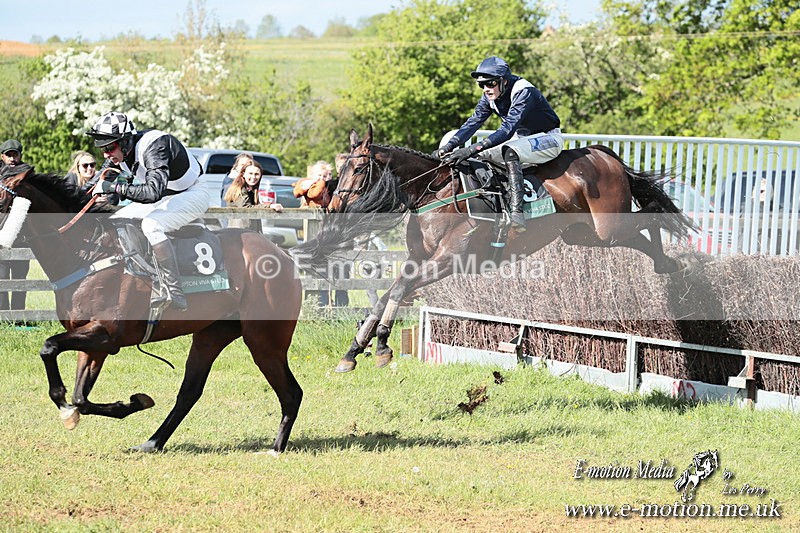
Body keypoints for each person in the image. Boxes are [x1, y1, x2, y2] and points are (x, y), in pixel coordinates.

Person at [86, 111, 209, 311]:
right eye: (102, 149)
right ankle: (140, 276)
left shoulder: (155, 147)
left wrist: (114, 188)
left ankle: (174, 291)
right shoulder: (119, 154)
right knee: (115, 220)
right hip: (167, 196)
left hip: (193, 192)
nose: (106, 154)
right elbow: (93, 184)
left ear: (125, 142)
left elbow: (152, 193)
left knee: (151, 225)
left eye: (109, 147)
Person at [435, 56, 563, 231]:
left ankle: (517, 212)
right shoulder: (490, 95)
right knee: (479, 156)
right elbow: (473, 122)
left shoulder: (524, 91)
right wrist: (448, 146)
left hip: (548, 139)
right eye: (482, 85)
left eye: (490, 83)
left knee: (509, 150)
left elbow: (507, 130)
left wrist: (471, 148)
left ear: (504, 81)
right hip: (522, 138)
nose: (486, 89)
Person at [0, 139, 32, 313]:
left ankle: (19, 317)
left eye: (15, 154)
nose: (12, 158)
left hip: (21, 236)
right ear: (2, 156)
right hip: (1, 235)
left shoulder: (27, 175)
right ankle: (4, 316)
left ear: (20, 155)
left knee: (20, 279)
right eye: (8, 155)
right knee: (2, 278)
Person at [223, 160, 283, 230]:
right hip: (239, 232)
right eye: (250, 173)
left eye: (256, 174)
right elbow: (246, 208)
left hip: (250, 231)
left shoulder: (252, 190)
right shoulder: (239, 189)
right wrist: (270, 206)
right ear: (243, 174)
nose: (253, 177)